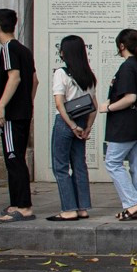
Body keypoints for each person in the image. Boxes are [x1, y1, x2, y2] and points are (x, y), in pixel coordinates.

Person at [98, 29, 137, 221]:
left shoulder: (127, 67)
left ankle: (133, 202)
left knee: (112, 162)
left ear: (122, 46)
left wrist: (108, 107)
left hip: (127, 123)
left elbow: (130, 98)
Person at [0, 8, 37, 221]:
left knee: (13, 158)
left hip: (13, 114)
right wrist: (28, 103)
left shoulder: (8, 48)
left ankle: (23, 206)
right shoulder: (24, 50)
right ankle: (17, 203)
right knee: (17, 157)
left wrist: (0, 107)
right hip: (23, 112)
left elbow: (14, 77)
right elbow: (34, 80)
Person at [47, 35, 97, 223]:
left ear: (64, 53)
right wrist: (86, 128)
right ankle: (83, 207)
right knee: (79, 165)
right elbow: (93, 105)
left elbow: (60, 104)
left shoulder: (61, 73)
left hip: (66, 122)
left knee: (60, 166)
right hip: (83, 121)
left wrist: (72, 125)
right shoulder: (88, 76)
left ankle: (68, 209)